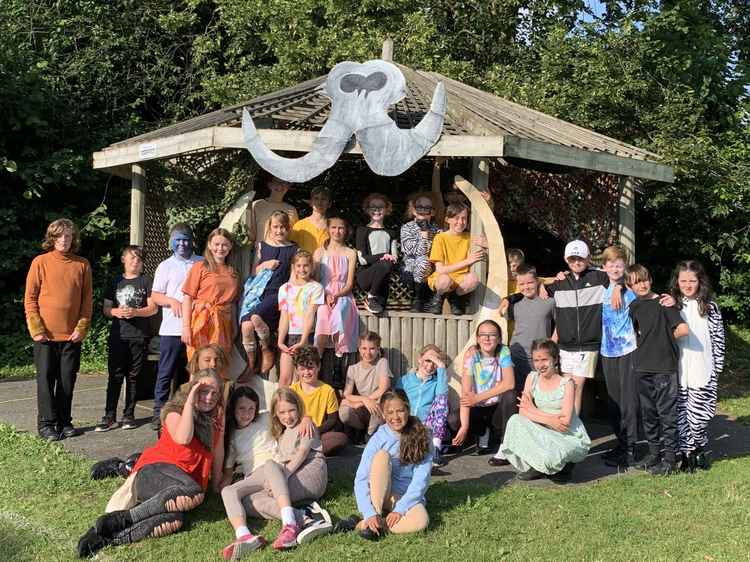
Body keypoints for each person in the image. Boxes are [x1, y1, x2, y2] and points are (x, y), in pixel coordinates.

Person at [77, 370, 225, 557]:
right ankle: (126, 516)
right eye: (203, 391)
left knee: (175, 519)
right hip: (153, 472)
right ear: (192, 390)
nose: (209, 397)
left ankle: (109, 537)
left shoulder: (216, 417)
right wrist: (190, 401)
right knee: (193, 492)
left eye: (215, 393)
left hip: (177, 486)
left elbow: (218, 449)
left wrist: (217, 481)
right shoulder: (174, 411)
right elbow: (184, 437)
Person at [220, 387, 332, 557]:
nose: (247, 413)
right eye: (241, 408)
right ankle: (244, 536)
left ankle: (290, 523)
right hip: (256, 475)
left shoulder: (264, 418)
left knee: (270, 464)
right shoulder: (232, 437)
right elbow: (228, 474)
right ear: (233, 410)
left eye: (251, 408)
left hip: (276, 469)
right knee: (231, 493)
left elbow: (291, 410)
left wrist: (307, 417)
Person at [24, 219, 93, 441]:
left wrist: (81, 327)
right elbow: (30, 298)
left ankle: (65, 422)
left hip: (71, 336)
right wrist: (36, 328)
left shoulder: (82, 265)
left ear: (73, 239)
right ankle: (46, 424)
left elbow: (86, 301)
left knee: (67, 380)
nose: (64, 240)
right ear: (52, 238)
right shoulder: (40, 262)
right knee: (45, 380)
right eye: (60, 236)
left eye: (68, 236)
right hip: (45, 335)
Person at [543, 240, 622, 414]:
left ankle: (572, 430)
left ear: (587, 259)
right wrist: (546, 282)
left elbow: (620, 275)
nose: (576, 262)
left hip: (589, 345)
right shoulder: (559, 283)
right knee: (567, 388)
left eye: (580, 258)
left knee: (576, 387)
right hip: (565, 346)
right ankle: (569, 427)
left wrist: (618, 287)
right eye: (572, 259)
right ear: (566, 259)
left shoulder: (599, 277)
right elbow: (531, 287)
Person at [499, 339, 591, 482]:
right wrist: (549, 419)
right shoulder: (531, 378)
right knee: (515, 421)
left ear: (555, 359)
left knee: (555, 456)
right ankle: (538, 466)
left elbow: (564, 422)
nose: (540, 364)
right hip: (543, 429)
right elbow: (523, 412)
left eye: (544, 359)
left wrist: (533, 410)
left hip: (566, 435)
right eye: (536, 360)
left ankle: (565, 465)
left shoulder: (567, 384)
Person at [627, 264, 688, 476]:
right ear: (630, 286)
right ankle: (654, 454)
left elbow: (683, 329)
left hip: (664, 368)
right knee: (648, 413)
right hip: (642, 367)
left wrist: (662, 340)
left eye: (644, 279)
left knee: (667, 414)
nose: (641, 284)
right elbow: (637, 333)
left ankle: (670, 459)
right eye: (636, 282)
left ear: (650, 279)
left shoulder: (664, 303)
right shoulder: (633, 306)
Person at [348, 389, 432, 538]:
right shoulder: (379, 438)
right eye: (390, 412)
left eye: (400, 411)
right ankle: (374, 516)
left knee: (421, 521)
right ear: (383, 414)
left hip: (405, 496)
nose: (395, 417)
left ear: (408, 409)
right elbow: (361, 478)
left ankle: (367, 525)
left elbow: (421, 480)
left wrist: (400, 509)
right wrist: (369, 512)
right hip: (381, 493)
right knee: (381, 456)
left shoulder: (422, 435)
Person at [670, 260, 725, 471]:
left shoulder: (710, 307)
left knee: (698, 417)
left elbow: (718, 340)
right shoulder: (672, 304)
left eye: (692, 280)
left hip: (704, 368)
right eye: (683, 280)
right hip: (680, 368)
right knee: (682, 415)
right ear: (677, 281)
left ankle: (698, 447)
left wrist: (717, 369)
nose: (687, 284)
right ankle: (688, 454)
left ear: (699, 281)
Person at [96, 245, 157, 432]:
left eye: (139, 259)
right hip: (118, 336)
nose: (135, 262)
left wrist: (136, 311)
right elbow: (106, 309)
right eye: (132, 258)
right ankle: (109, 416)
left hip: (139, 336)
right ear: (124, 259)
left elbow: (153, 308)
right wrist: (117, 312)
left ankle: (128, 415)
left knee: (133, 377)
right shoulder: (114, 281)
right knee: (114, 376)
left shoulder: (147, 281)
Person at [150, 223, 203, 431]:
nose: (182, 244)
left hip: (198, 327)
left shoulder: (202, 262)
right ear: (172, 242)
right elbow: (155, 295)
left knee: (193, 372)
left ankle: (189, 411)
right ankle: (159, 412)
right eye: (178, 240)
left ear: (192, 240)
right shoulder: (165, 266)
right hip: (171, 328)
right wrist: (172, 301)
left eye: (186, 239)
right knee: (166, 372)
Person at [241, 210, 298, 375]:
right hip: (258, 293)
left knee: (255, 318)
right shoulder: (262, 246)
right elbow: (253, 272)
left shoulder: (293, 248)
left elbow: (294, 277)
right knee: (246, 326)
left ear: (288, 228)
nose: (279, 231)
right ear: (270, 227)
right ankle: (251, 363)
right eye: (276, 227)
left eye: (283, 227)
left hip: (278, 293)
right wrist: (265, 265)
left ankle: (267, 349)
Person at [598, 246, 639, 468]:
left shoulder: (630, 288)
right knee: (613, 402)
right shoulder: (603, 287)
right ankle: (621, 443)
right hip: (607, 351)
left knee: (628, 401)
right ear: (604, 267)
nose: (615, 267)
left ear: (625, 266)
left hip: (628, 350)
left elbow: (645, 296)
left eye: (619, 263)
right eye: (611, 263)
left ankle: (631, 449)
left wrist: (622, 286)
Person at [452, 320, 517, 462]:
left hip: (497, 409)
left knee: (511, 395)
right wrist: (464, 426)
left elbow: (510, 383)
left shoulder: (503, 352)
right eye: (483, 335)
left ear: (499, 338)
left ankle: (505, 446)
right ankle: (481, 433)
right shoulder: (471, 355)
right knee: (453, 421)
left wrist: (478, 397)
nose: (487, 338)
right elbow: (466, 392)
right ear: (477, 338)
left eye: (492, 335)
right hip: (479, 410)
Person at [182, 228, 240, 370]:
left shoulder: (233, 272)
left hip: (223, 323)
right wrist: (185, 328)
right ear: (209, 245)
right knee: (199, 366)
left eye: (225, 244)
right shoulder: (199, 267)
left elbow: (233, 303)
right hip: (202, 321)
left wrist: (234, 329)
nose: (220, 248)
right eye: (216, 244)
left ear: (230, 246)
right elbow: (188, 297)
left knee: (218, 366)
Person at [426, 201, 485, 315]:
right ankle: (439, 298)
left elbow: (486, 250)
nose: (460, 222)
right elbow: (440, 270)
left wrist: (487, 244)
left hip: (461, 279)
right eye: (456, 218)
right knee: (445, 280)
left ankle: (456, 298)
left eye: (464, 218)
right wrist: (467, 261)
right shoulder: (440, 238)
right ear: (447, 219)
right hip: (442, 278)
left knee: (474, 279)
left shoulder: (469, 237)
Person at [395, 345, 449, 467]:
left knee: (442, 400)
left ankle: (436, 448)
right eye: (428, 360)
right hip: (406, 422)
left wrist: (441, 367)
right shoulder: (405, 380)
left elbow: (442, 395)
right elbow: (396, 401)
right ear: (420, 359)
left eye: (435, 363)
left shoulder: (437, 382)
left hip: (427, 425)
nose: (430, 366)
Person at [289, 346, 348, 456]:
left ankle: (305, 452)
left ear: (318, 367)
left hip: (318, 432)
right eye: (302, 369)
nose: (307, 372)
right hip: (297, 432)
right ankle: (308, 451)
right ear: (296, 370)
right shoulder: (292, 391)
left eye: (310, 367)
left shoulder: (328, 390)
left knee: (340, 439)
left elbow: (332, 420)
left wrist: (315, 430)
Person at [314, 215, 359, 357]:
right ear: (328, 229)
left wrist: (336, 295)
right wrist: (326, 295)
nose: (337, 231)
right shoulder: (319, 252)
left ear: (346, 230)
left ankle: (338, 356)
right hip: (323, 292)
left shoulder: (351, 253)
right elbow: (315, 280)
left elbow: (349, 283)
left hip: (343, 294)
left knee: (339, 313)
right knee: (322, 315)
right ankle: (317, 359)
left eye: (341, 228)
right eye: (333, 227)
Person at [278, 250, 324, 386]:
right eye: (298, 266)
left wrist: (303, 340)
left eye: (305, 266)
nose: (302, 269)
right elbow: (284, 316)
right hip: (289, 337)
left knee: (302, 379)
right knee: (285, 378)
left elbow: (310, 314)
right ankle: (280, 406)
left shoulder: (316, 288)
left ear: (311, 267)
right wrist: (281, 341)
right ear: (294, 267)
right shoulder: (284, 288)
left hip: (307, 336)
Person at [339, 332, 392, 441]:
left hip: (377, 405)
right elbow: (347, 394)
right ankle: (362, 429)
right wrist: (364, 400)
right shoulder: (353, 369)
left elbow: (383, 388)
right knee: (344, 410)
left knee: (378, 404)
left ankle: (370, 435)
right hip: (363, 406)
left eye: (372, 348)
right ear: (359, 349)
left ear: (378, 350)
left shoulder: (382, 362)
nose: (367, 352)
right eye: (364, 348)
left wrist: (365, 401)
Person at [356, 193, 398, 314]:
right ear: (367, 210)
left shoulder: (391, 232)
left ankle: (373, 297)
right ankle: (371, 296)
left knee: (380, 313)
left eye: (380, 207)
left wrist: (389, 258)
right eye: (373, 207)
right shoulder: (362, 231)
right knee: (385, 262)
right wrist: (383, 255)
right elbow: (362, 260)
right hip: (365, 276)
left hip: (383, 280)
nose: (377, 210)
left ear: (387, 210)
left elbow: (394, 258)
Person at [400, 192, 442, 312]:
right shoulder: (407, 228)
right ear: (413, 210)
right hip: (411, 266)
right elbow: (411, 251)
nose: (423, 210)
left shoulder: (437, 230)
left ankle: (434, 300)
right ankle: (418, 299)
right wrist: (424, 237)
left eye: (427, 207)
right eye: (419, 207)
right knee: (423, 261)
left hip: (433, 266)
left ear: (433, 211)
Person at [247, 174, 299, 248]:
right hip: (261, 255)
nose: (280, 186)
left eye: (284, 183)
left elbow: (293, 237)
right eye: (277, 182)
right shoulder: (257, 205)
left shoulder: (292, 210)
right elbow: (252, 235)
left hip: (283, 255)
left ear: (288, 187)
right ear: (270, 185)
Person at [290, 186, 331, 255]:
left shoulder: (332, 226)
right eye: (316, 198)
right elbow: (291, 249)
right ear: (310, 202)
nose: (319, 202)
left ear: (329, 204)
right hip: (305, 264)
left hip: (326, 265)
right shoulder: (300, 225)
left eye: (323, 199)